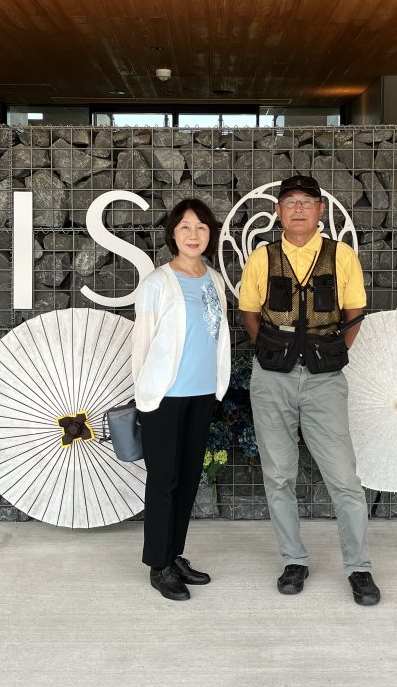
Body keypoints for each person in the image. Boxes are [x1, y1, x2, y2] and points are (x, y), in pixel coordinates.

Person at [237, 174, 380, 606]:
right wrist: (272, 348)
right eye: (290, 201)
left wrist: (332, 351)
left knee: (344, 478)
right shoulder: (262, 257)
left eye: (306, 201)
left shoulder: (341, 255)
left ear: (320, 210)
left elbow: (355, 311)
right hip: (272, 378)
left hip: (325, 379)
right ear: (277, 211)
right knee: (278, 475)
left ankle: (359, 568)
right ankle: (293, 560)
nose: (298, 208)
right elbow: (249, 312)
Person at [131, 198, 231, 601]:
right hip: (165, 397)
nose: (193, 234)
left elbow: (217, 337)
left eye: (201, 227)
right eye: (185, 227)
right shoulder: (157, 283)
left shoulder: (215, 280)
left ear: (210, 234)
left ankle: (175, 555)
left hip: (202, 392)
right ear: (173, 234)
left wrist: (218, 384)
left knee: (188, 480)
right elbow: (141, 344)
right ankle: (159, 565)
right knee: (164, 481)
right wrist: (145, 395)